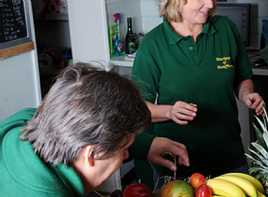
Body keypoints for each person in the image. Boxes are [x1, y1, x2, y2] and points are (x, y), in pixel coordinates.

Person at [0, 63, 188, 196]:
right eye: (124, 150)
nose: (125, 156)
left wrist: (147, 144)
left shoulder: (26, 122)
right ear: (91, 154)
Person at [131, 0, 264, 187]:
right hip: (179, 165)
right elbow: (137, 109)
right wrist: (170, 111)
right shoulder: (152, 45)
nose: (210, 4)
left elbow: (242, 77)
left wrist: (246, 94)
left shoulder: (226, 29)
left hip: (229, 157)